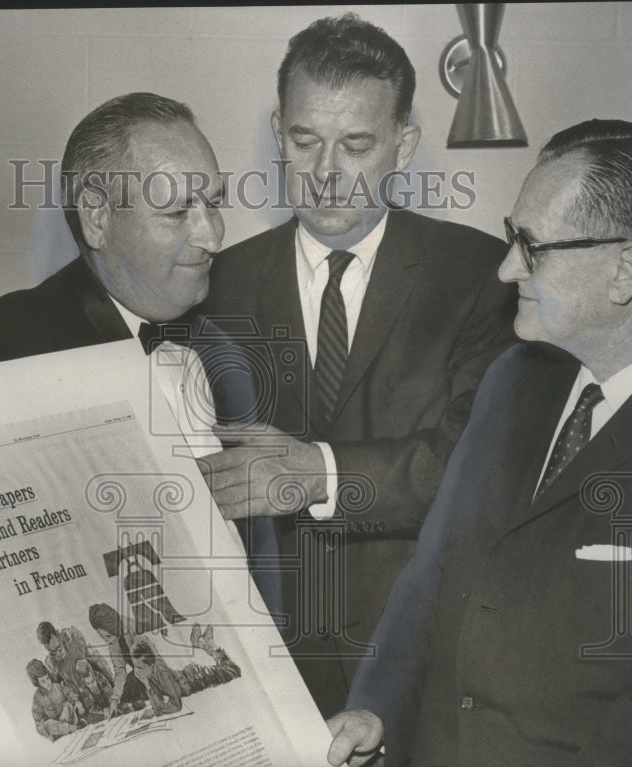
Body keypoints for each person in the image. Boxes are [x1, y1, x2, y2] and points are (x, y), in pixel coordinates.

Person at [327, 119, 632, 766]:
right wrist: (378, 706)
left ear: (625, 270)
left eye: (531, 245)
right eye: (513, 234)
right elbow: (432, 573)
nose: (507, 264)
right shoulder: (514, 378)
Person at [201, 13, 516, 715]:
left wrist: (322, 471)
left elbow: (482, 468)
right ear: (279, 132)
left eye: (357, 145)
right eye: (306, 141)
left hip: (419, 667)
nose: (326, 175)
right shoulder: (215, 285)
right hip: (262, 667)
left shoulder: (480, 277)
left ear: (403, 146)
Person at [0, 92, 281, 616]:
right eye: (177, 211)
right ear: (96, 218)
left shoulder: (223, 344)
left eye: (213, 202)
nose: (212, 236)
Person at [26, 659, 82, 741]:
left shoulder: (58, 686)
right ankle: (74, 729)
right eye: (43, 681)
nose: (48, 682)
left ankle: (71, 728)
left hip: (69, 719)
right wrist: (47, 735)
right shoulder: (37, 698)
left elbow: (69, 694)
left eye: (47, 678)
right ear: (37, 683)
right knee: (48, 724)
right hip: (56, 728)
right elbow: (38, 720)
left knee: (67, 705)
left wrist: (77, 702)